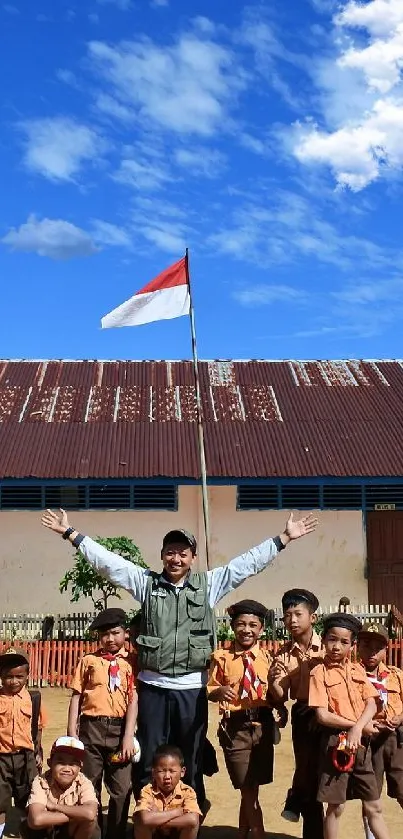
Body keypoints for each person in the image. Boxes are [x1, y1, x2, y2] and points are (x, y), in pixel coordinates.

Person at [41, 508, 318, 806]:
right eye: (170, 553)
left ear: (192, 558)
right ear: (162, 556)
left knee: (190, 755)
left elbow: (245, 565)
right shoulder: (145, 583)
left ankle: (190, 816)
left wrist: (284, 538)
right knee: (149, 754)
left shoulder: (209, 585)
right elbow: (110, 563)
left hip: (191, 689)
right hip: (152, 688)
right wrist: (72, 534)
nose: (176, 559)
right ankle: (148, 817)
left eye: (183, 553)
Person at [309, 613, 390, 839]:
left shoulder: (357, 670)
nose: (336, 647)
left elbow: (372, 703)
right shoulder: (319, 673)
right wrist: (356, 726)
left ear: (352, 645)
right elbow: (323, 716)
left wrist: (357, 729)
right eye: (332, 639)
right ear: (323, 640)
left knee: (374, 806)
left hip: (361, 746)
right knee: (336, 808)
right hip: (336, 745)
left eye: (344, 642)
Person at [207, 599, 283, 839]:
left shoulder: (268, 659)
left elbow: (275, 695)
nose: (246, 630)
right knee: (246, 787)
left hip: (262, 725)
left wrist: (279, 699)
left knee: (252, 788)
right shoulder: (221, 657)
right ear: (232, 627)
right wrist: (218, 692)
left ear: (261, 629)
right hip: (235, 727)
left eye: (253, 625)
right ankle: (258, 833)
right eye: (241, 624)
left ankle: (242, 834)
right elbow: (209, 689)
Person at [67, 608, 137, 839]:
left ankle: (116, 833)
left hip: (120, 732)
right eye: (104, 634)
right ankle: (93, 833)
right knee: (89, 783)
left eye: (115, 633)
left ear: (125, 634)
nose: (110, 639)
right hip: (91, 730)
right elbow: (77, 696)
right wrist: (71, 734)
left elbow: (133, 700)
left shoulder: (132, 663)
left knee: (122, 788)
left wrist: (128, 736)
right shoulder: (88, 661)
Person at [269, 588, 323, 837]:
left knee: (325, 773)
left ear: (313, 617)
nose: (292, 620)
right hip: (303, 714)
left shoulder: (328, 646)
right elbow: (280, 696)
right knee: (307, 769)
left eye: (298, 614)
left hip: (330, 714)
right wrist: (274, 680)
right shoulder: (283, 654)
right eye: (287, 615)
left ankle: (295, 795)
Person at [357, 623, 403, 839]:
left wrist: (400, 717)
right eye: (367, 645)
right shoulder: (353, 676)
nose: (372, 652)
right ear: (358, 647)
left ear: (386, 649)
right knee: (370, 794)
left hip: (395, 741)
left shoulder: (396, 675)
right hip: (368, 742)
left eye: (378, 646)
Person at [0, 648, 46, 839]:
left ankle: (25, 833)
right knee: (0, 802)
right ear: (1, 676)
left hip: (25, 757)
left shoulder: (34, 699)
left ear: (27, 675)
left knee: (27, 799)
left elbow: (38, 727)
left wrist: (38, 752)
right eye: (8, 677)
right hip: (1, 758)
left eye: (19, 676)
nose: (14, 681)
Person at [24, 736, 97, 839]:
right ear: (50, 763)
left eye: (73, 763)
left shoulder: (84, 782)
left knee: (91, 823)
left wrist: (55, 807)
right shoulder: (40, 781)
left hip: (70, 830)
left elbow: (90, 813)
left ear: (81, 766)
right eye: (61, 762)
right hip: (47, 829)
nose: (67, 768)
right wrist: (78, 815)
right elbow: (37, 819)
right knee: (28, 825)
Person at [133, 745, 201, 839]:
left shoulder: (187, 791)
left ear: (182, 772)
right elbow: (146, 819)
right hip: (154, 834)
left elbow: (192, 819)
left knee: (193, 824)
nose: (167, 777)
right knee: (139, 821)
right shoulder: (147, 791)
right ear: (153, 772)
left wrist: (158, 819)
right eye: (162, 771)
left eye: (172, 771)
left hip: (177, 834)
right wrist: (177, 812)